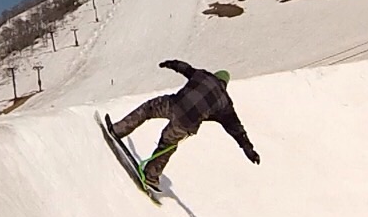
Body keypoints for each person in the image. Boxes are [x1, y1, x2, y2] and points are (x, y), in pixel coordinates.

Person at [109, 60, 258, 191]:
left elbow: (185, 68)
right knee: (167, 145)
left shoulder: (203, 75)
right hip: (186, 123)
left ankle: (118, 129)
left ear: (216, 75)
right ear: (225, 84)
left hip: (173, 104)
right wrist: (248, 149)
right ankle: (151, 176)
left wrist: (170, 63)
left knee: (147, 109)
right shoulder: (225, 103)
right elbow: (236, 127)